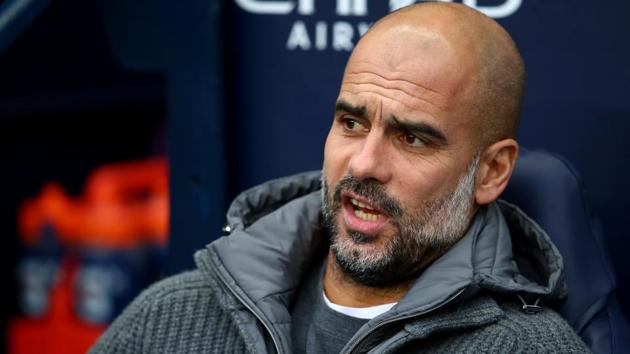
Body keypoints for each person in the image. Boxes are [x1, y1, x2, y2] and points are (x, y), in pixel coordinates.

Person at [91, 3, 591, 353]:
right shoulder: (172, 317)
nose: (363, 164)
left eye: (411, 138)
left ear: (491, 171)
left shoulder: (531, 348)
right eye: (352, 123)